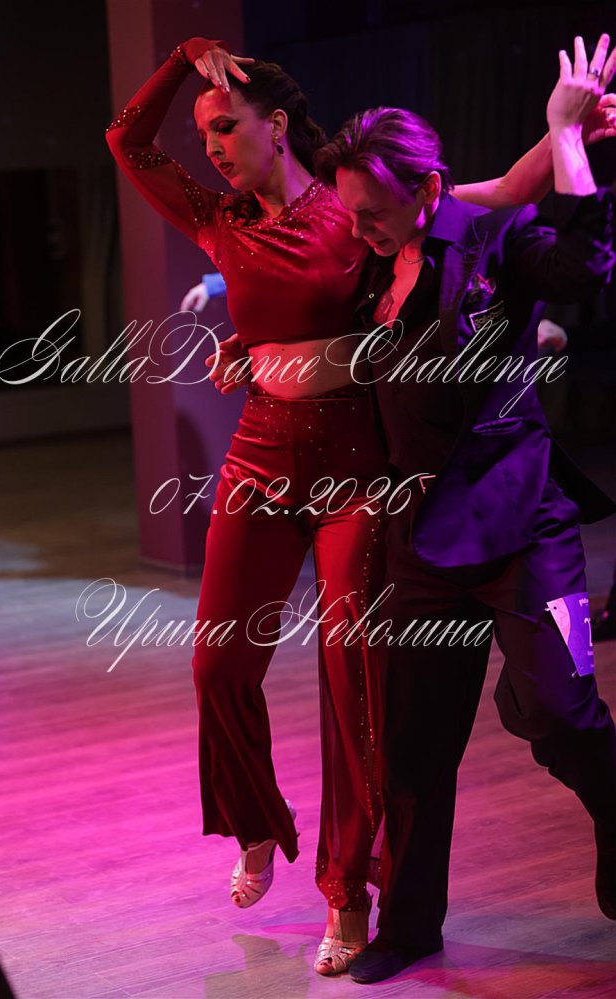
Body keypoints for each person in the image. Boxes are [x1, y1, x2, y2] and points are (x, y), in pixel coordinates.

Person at [105, 34, 613, 974]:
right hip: (319, 479)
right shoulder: (261, 226)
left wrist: (568, 132)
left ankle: (356, 888)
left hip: (411, 488)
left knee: (425, 699)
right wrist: (181, 60)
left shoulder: (380, 219)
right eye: (203, 133)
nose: (211, 147)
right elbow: (131, 147)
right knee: (281, 688)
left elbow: (508, 198)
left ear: (277, 125)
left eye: (226, 128)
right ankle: (317, 863)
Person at [310, 32, 616, 984]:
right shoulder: (371, 267)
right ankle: (410, 926)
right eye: (350, 212)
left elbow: (586, 267)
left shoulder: (492, 240)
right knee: (414, 745)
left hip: (527, 525)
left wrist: (569, 139)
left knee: (564, 712)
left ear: (427, 190)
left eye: (374, 212)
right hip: (421, 539)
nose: (360, 227)